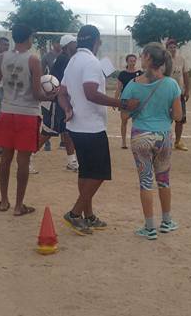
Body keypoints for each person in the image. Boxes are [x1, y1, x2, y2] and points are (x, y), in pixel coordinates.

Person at [59, 25, 139, 235]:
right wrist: (122, 103)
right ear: (96, 41)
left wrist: (67, 109)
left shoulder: (73, 61)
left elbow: (62, 91)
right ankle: (75, 214)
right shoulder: (92, 62)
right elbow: (91, 93)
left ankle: (89, 216)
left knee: (86, 172)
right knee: (100, 173)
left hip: (76, 125)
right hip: (91, 127)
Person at [121, 42, 183, 240]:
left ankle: (149, 227)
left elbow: (124, 116)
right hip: (163, 135)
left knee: (145, 182)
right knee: (163, 179)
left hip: (141, 136)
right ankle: (166, 221)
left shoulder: (133, 85)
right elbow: (178, 116)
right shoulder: (171, 84)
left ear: (147, 57)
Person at [0, 24, 52, 216]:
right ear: (30, 38)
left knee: (5, 159)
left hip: (7, 112)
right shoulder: (33, 60)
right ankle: (18, 205)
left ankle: (4, 201)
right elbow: (36, 93)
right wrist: (52, 96)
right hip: (27, 114)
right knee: (23, 161)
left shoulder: (2, 58)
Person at [45, 34, 78, 171]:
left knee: (66, 131)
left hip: (61, 100)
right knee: (47, 132)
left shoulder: (66, 58)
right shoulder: (65, 59)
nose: (76, 45)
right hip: (57, 101)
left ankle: (72, 161)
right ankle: (28, 157)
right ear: (67, 46)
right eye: (74, 43)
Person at [115, 53, 142, 149]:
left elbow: (143, 87)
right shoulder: (122, 74)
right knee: (124, 121)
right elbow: (118, 88)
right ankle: (123, 142)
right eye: (131, 61)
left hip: (137, 101)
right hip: (125, 100)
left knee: (138, 122)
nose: (133, 63)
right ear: (127, 61)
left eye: (134, 61)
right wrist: (115, 101)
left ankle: (137, 141)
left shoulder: (140, 73)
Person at [167, 39, 189, 151]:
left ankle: (178, 142)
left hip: (179, 93)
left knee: (180, 118)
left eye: (174, 47)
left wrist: (187, 90)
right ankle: (164, 141)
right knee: (166, 118)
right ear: (167, 48)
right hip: (166, 94)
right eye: (170, 47)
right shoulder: (164, 60)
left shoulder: (181, 59)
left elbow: (185, 75)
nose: (173, 49)